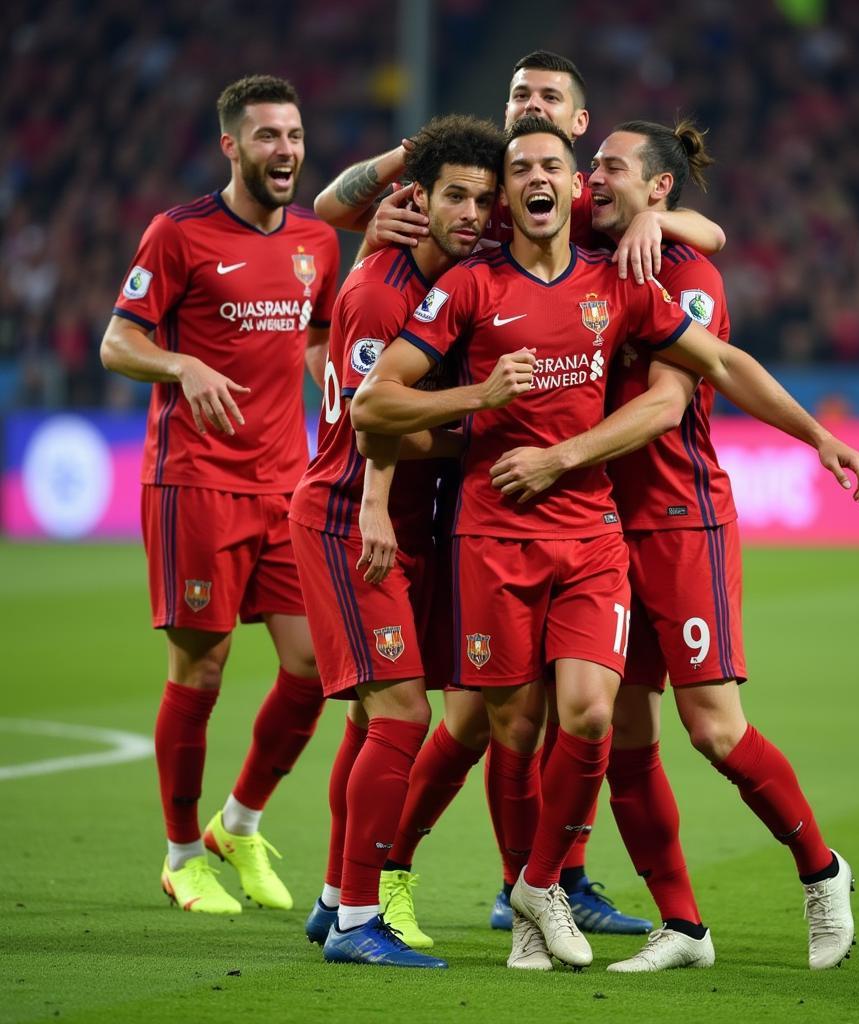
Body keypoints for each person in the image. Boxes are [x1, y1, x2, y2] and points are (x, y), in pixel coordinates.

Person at [349, 117, 859, 971]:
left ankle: (819, 872)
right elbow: (378, 398)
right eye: (544, 167)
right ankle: (677, 926)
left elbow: (700, 379)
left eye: (592, 164)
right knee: (584, 730)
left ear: (656, 186)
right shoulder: (514, 265)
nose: (578, 179)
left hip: (667, 519)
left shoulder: (663, 268)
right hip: (563, 526)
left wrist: (816, 434)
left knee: (707, 729)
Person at [316, 48, 723, 942]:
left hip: (551, 513)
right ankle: (384, 882)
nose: (526, 109)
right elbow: (330, 212)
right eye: (516, 97)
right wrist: (408, 176)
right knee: (461, 719)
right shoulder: (473, 211)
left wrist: (674, 224)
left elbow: (706, 259)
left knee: (536, 715)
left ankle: (536, 883)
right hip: (469, 510)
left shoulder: (586, 212)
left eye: (546, 104)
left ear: (580, 136)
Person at [99, 75, 340, 915]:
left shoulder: (317, 240)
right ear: (232, 146)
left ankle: (236, 823)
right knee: (200, 668)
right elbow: (117, 342)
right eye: (268, 137)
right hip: (194, 481)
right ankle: (178, 855)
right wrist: (182, 362)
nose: (286, 151)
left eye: (295, 135)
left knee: (314, 666)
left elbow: (316, 335)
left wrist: (339, 393)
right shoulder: (181, 234)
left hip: (286, 483)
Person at [287, 114, 509, 968]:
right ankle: (355, 924)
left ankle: (334, 900)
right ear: (416, 199)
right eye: (457, 195)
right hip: (351, 519)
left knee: (370, 723)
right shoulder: (379, 293)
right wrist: (482, 410)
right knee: (404, 714)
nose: (474, 212)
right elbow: (378, 420)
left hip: (406, 523)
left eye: (484, 200)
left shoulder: (454, 279)